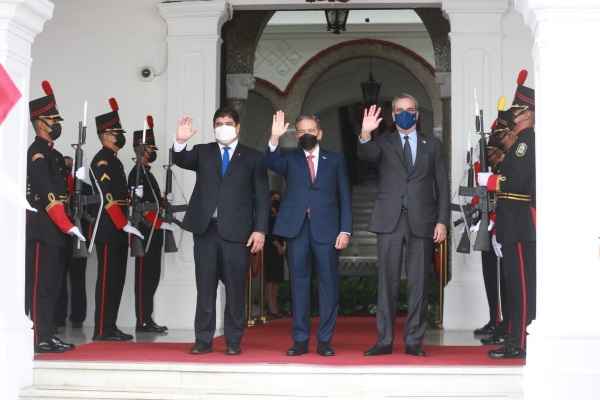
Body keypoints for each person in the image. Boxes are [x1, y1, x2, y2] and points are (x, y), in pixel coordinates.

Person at [358, 94, 450, 357]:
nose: (405, 114)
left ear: (417, 114)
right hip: (390, 220)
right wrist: (365, 132)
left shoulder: (432, 144)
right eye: (399, 110)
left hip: (423, 220)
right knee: (387, 282)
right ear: (393, 115)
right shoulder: (383, 142)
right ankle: (384, 341)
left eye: (410, 109)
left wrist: (442, 221)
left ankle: (413, 341)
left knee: (418, 283)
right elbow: (366, 153)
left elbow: (441, 185)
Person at [172, 108, 269, 356]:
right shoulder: (203, 152)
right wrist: (180, 142)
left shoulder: (253, 157)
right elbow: (181, 160)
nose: (223, 127)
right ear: (213, 127)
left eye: (228, 123)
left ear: (238, 127)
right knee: (205, 288)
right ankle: (203, 339)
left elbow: (262, 197)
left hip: (238, 233)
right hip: (206, 230)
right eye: (218, 123)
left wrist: (260, 230)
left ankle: (233, 340)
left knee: (235, 289)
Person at [265, 111, 353, 357]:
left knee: (328, 286)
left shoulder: (335, 160)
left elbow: (345, 196)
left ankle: (324, 340)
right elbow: (269, 162)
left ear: (320, 134)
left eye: (310, 131)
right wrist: (274, 138)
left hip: (327, 230)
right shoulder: (289, 158)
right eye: (301, 131)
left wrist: (345, 229)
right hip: (297, 229)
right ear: (296, 135)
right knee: (299, 285)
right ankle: (300, 340)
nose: (306, 135)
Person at [478, 70, 536, 359]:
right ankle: (514, 338)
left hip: (520, 222)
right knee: (513, 286)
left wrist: (490, 181)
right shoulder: (520, 144)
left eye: (516, 111)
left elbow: (518, 183)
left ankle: (521, 343)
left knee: (522, 287)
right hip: (511, 222)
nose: (512, 116)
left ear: (527, 114)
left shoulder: (526, 143)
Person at [25, 80, 83, 353]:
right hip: (43, 228)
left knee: (53, 286)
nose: (57, 124)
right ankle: (39, 337)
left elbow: (63, 192)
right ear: (40, 123)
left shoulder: (55, 155)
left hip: (58, 229)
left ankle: (48, 334)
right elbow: (46, 193)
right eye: (53, 120)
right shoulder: (36, 152)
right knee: (41, 286)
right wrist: (65, 224)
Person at [90, 98, 143, 341]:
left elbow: (121, 196)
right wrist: (123, 223)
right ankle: (102, 328)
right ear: (106, 135)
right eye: (117, 132)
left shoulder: (115, 161)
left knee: (117, 279)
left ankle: (110, 326)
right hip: (109, 227)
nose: (121, 136)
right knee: (107, 280)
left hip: (120, 228)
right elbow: (108, 197)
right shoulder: (102, 160)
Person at [128, 116, 174, 333]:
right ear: (142, 149)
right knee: (144, 278)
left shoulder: (147, 173)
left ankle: (148, 317)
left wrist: (165, 201)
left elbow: (153, 201)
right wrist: (157, 223)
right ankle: (142, 320)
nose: (153, 151)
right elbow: (138, 205)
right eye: (151, 148)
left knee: (153, 276)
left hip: (154, 231)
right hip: (145, 231)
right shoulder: (137, 173)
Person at [53, 155, 94, 330]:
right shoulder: (57, 187)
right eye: (66, 165)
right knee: (59, 282)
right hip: (62, 239)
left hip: (79, 240)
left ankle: (78, 318)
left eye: (71, 165)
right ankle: (58, 318)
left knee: (78, 281)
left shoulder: (86, 188)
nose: (69, 168)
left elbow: (91, 216)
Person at [264, 190, 286, 318]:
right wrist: (278, 246)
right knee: (270, 278)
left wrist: (284, 246)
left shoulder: (281, 213)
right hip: (271, 248)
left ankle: (275, 306)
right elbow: (269, 233)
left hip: (281, 249)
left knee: (277, 279)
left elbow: (285, 230)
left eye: (278, 198)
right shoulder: (267, 214)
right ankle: (270, 306)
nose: (276, 200)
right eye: (274, 198)